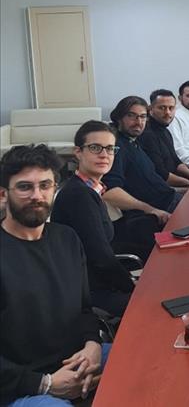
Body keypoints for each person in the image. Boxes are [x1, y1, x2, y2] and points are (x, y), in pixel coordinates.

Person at [0, 144, 110, 405]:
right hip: (18, 384)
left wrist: (92, 345)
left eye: (45, 185)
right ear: (3, 194)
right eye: (25, 187)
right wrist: (43, 383)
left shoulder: (67, 239)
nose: (37, 195)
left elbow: (84, 309)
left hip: (75, 360)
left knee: (145, 361)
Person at [51, 121, 135, 317]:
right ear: (78, 152)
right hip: (89, 291)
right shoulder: (79, 195)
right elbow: (100, 257)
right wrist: (131, 286)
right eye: (95, 148)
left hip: (97, 282)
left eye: (110, 148)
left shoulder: (90, 190)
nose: (104, 154)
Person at [103, 96, 181, 249]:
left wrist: (186, 189)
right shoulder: (116, 147)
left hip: (171, 199)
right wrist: (150, 210)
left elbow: (153, 181)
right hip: (161, 212)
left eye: (143, 117)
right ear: (119, 118)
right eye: (132, 116)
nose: (138, 122)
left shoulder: (133, 142)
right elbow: (110, 192)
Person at [139, 89, 189, 188]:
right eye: (162, 108)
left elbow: (176, 161)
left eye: (171, 108)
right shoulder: (147, 134)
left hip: (175, 181)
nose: (168, 112)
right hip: (161, 187)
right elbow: (161, 174)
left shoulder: (166, 131)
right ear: (150, 109)